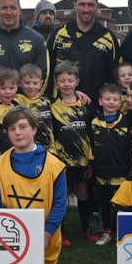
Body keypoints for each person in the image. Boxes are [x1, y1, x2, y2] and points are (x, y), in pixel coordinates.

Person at [0, 107, 68, 264]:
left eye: (23, 127)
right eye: (12, 129)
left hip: (45, 235)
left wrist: (47, 233)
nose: (18, 133)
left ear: (34, 129)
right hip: (11, 233)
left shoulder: (54, 165)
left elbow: (60, 203)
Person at [47, 0, 119, 102]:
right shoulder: (58, 35)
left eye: (90, 5)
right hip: (62, 105)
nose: (86, 9)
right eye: (82, 4)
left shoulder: (108, 38)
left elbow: (115, 77)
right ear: (75, 5)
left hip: (97, 106)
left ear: (97, 7)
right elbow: (48, 71)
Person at [50, 62, 93, 243]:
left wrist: (91, 160)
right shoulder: (52, 107)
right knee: (62, 195)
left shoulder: (86, 104)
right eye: (62, 81)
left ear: (77, 82)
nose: (66, 84)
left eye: (70, 80)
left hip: (82, 159)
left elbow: (92, 132)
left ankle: (86, 229)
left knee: (83, 192)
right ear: (56, 83)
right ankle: (62, 231)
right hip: (62, 160)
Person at [89, 83, 132, 244]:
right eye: (107, 99)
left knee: (120, 203)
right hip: (101, 171)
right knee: (104, 203)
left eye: (115, 99)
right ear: (100, 101)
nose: (111, 102)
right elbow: (90, 146)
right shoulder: (94, 123)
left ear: (120, 102)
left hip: (121, 170)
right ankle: (107, 231)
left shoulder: (126, 122)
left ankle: (120, 233)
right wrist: (91, 165)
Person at [0, 0, 49, 86]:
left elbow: (43, 75)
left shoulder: (37, 40)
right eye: (4, 8)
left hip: (27, 96)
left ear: (19, 10)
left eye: (13, 8)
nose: (8, 12)